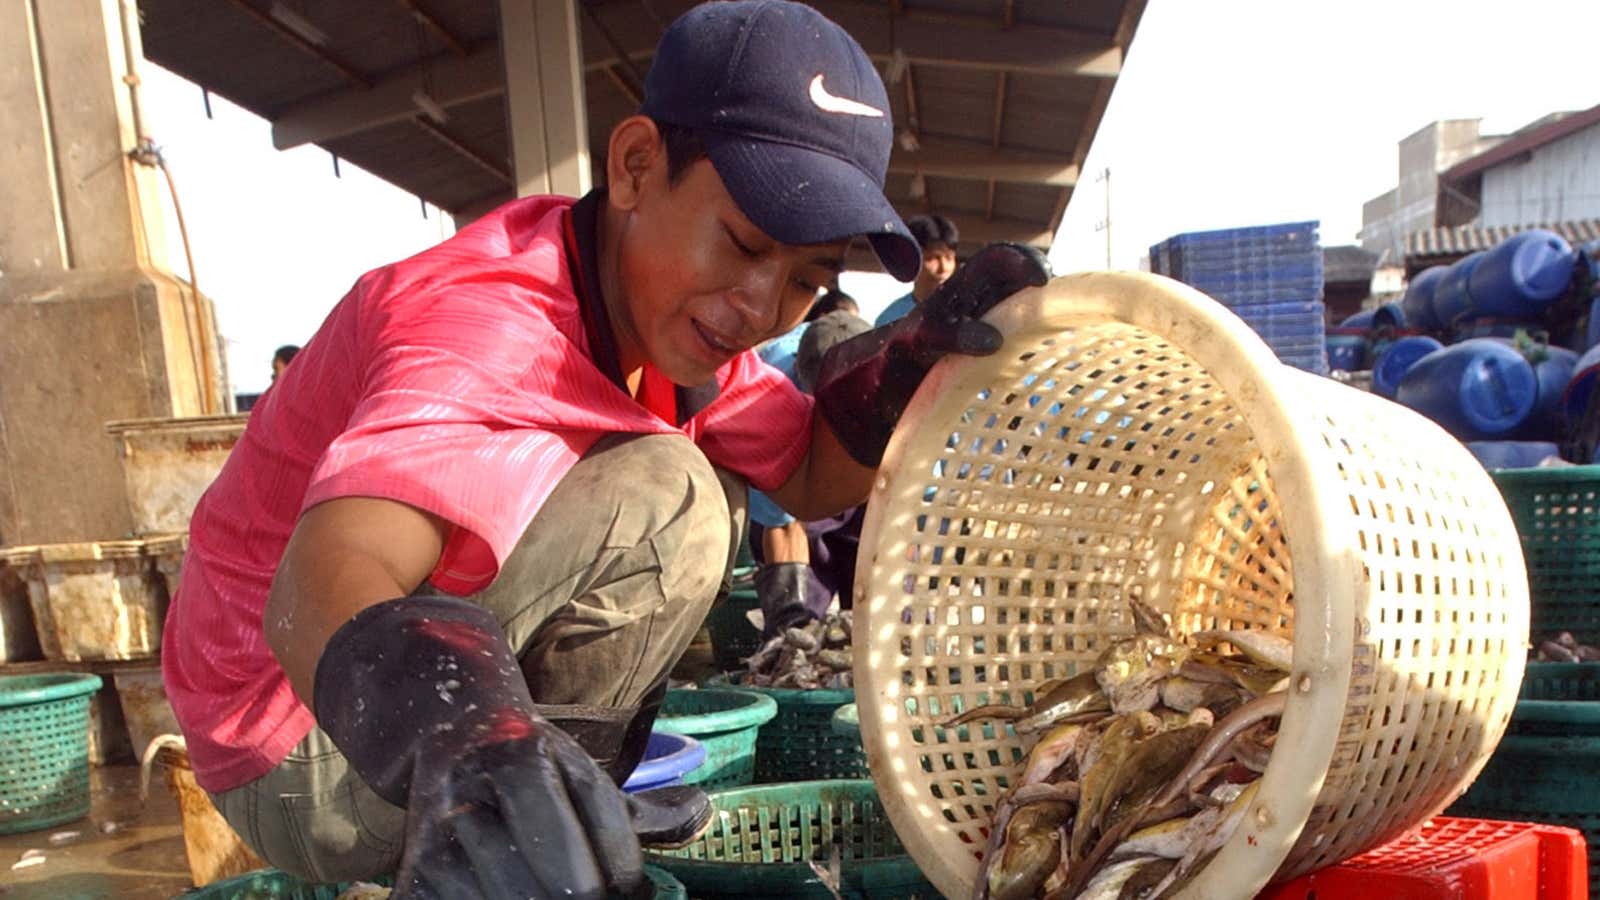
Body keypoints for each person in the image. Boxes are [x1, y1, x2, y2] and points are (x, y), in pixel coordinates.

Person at [161, 2, 1048, 898]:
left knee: (711, 490)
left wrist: (908, 369)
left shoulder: (671, 330)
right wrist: (471, 747)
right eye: (744, 243)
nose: (759, 304)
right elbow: (318, 584)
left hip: (360, 719)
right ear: (635, 167)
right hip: (291, 742)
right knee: (676, 496)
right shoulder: (489, 321)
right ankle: (510, 818)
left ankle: (554, 807)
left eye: (807, 280)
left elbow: (811, 476)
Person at [875, 214, 960, 326]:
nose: (943, 268)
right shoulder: (890, 320)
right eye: (932, 258)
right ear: (910, 259)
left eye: (949, 258)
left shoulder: (970, 313)